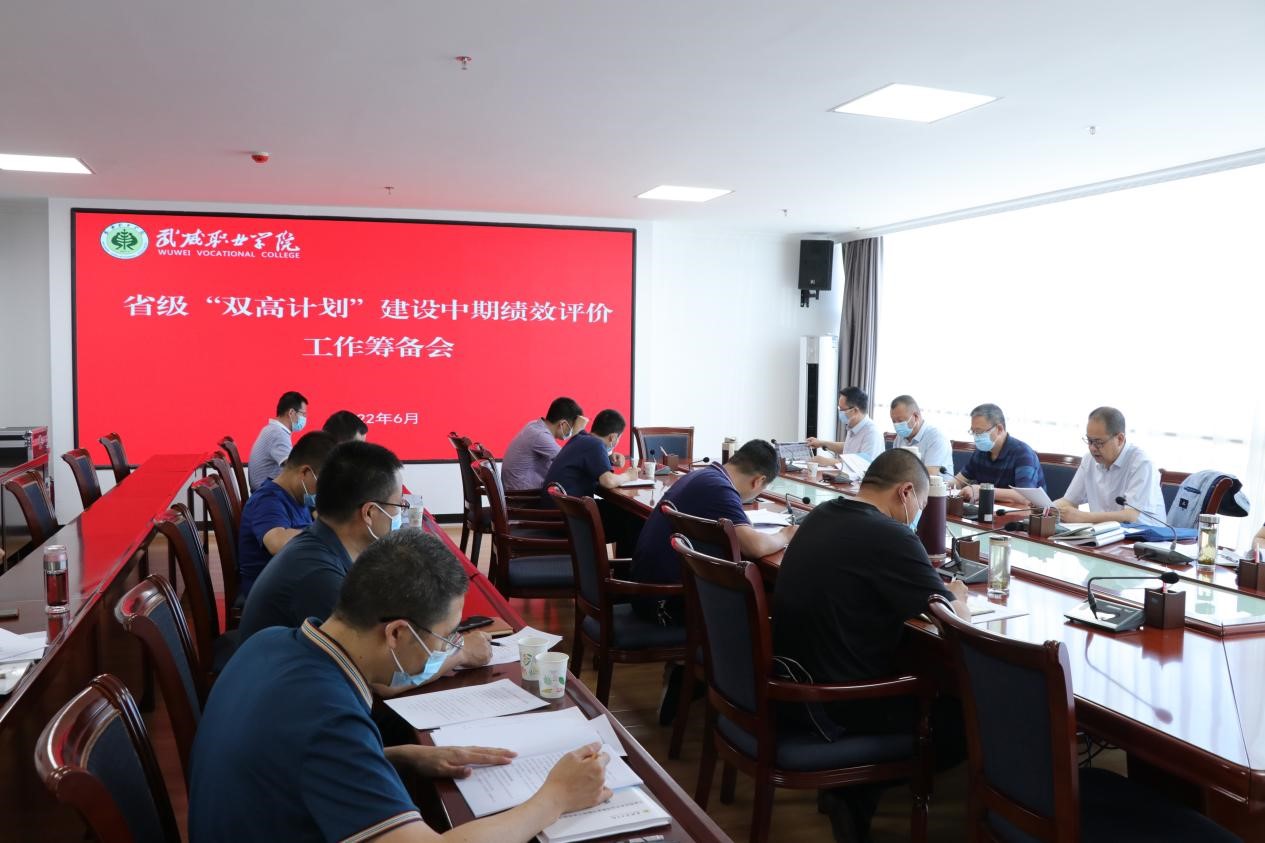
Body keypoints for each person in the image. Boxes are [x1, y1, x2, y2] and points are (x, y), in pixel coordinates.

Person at [189, 530, 611, 843]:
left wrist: (402, 756)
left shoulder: (268, 642)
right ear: (397, 633)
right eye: (445, 638)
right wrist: (554, 798)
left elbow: (292, 761)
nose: (446, 650)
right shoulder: (328, 718)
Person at [773, 449, 969, 842]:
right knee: (967, 718)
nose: (917, 515)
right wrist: (959, 594)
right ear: (906, 492)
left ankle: (852, 790)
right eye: (921, 505)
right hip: (837, 705)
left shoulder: (823, 514)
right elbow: (953, 621)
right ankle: (856, 792)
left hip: (789, 685)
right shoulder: (891, 535)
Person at [237, 440, 489, 677]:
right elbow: (378, 677)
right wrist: (461, 654)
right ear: (369, 513)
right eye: (398, 506)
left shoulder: (325, 544)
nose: (400, 515)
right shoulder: (318, 576)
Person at [630, 439, 793, 626]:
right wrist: (787, 534)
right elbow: (754, 547)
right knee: (775, 604)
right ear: (758, 481)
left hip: (648, 593)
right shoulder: (720, 489)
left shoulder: (704, 475)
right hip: (665, 603)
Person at [237, 430, 337, 600]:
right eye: (325, 483)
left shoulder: (299, 497)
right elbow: (276, 542)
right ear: (305, 472)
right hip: (271, 598)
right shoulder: (268, 501)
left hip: (293, 582)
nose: (326, 491)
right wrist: (331, 532)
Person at [1052, 406, 1164, 524]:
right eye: (1089, 441)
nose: (1092, 448)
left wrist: (1083, 517)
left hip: (1143, 533)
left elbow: (1130, 515)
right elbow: (1069, 501)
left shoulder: (1142, 463)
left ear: (1120, 439)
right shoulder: (1089, 459)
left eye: (1098, 442)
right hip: (1104, 532)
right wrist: (1045, 509)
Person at [954, 403, 1046, 507]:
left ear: (999, 429)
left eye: (979, 432)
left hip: (1023, 514)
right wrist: (942, 485)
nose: (976, 437)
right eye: (973, 431)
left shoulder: (1023, 453)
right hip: (988, 511)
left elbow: (1026, 496)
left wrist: (983, 490)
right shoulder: (981, 451)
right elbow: (959, 481)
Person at [542, 408, 631, 501]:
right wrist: (629, 476)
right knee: (622, 508)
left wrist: (608, 459)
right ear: (613, 437)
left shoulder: (580, 438)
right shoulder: (595, 444)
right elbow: (608, 481)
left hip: (557, 504)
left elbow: (583, 463)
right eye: (619, 438)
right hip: (568, 507)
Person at [502, 397, 587, 492]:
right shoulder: (540, 435)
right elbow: (570, 461)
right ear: (563, 424)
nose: (571, 431)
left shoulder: (534, 426)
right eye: (572, 427)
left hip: (517, 491)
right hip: (523, 496)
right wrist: (578, 432)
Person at [248, 390, 309, 492]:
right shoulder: (278, 434)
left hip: (265, 490)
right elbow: (294, 467)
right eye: (303, 414)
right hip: (267, 494)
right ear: (291, 413)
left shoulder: (272, 429)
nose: (305, 418)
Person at [807, 386, 884, 464]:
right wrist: (821, 443)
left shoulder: (872, 433)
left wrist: (828, 461)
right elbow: (847, 447)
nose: (840, 412)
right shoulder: (854, 426)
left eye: (842, 409)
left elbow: (863, 464)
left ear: (855, 410)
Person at [889, 394, 953, 475]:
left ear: (916, 416)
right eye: (894, 421)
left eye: (900, 421)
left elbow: (929, 475)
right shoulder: (899, 437)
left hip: (931, 483)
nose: (897, 425)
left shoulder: (936, 437)